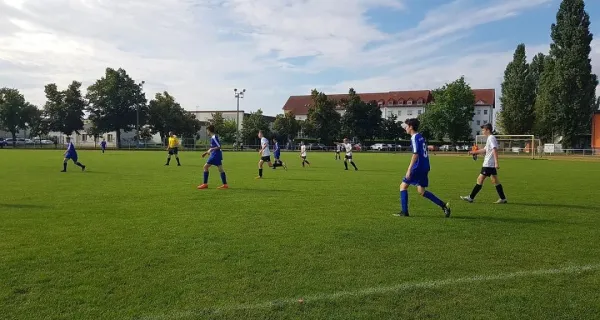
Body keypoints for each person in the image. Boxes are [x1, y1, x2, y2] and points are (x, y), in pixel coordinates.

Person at [396, 118, 451, 218]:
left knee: (403, 186)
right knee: (421, 191)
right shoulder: (420, 137)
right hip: (425, 166)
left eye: (407, 126)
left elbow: (415, 154)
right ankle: (444, 206)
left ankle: (404, 212)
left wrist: (409, 169)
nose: (405, 128)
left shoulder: (414, 137)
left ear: (411, 127)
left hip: (418, 166)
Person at [461, 123, 507, 204]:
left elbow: (494, 149)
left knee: (480, 179)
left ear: (488, 130)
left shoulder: (491, 138)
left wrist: (496, 162)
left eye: (483, 130)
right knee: (495, 181)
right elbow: (484, 150)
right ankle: (503, 198)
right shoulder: (490, 138)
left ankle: (471, 198)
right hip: (490, 164)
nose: (482, 131)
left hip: (488, 164)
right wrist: (473, 152)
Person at [198, 125, 228, 189]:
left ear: (209, 130)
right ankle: (225, 185)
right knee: (220, 169)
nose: (207, 132)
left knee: (205, 167)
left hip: (215, 155)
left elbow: (219, 146)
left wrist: (212, 150)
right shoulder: (213, 137)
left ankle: (205, 184)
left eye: (207, 131)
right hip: (217, 154)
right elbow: (213, 147)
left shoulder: (214, 137)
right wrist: (206, 153)